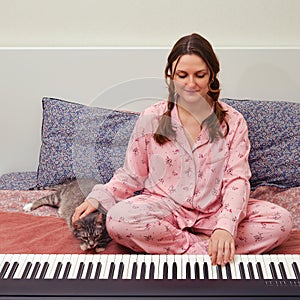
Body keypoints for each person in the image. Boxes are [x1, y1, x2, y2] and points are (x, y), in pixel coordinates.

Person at [72, 33, 292, 266]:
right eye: (182, 75)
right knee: (117, 220)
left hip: (216, 210)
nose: (191, 84)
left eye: (200, 75)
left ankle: (206, 244)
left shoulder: (233, 121)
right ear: (170, 76)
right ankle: (203, 252)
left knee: (281, 221)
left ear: (212, 76)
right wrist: (100, 197)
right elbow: (132, 174)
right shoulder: (151, 118)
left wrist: (225, 227)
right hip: (164, 209)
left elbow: (237, 180)